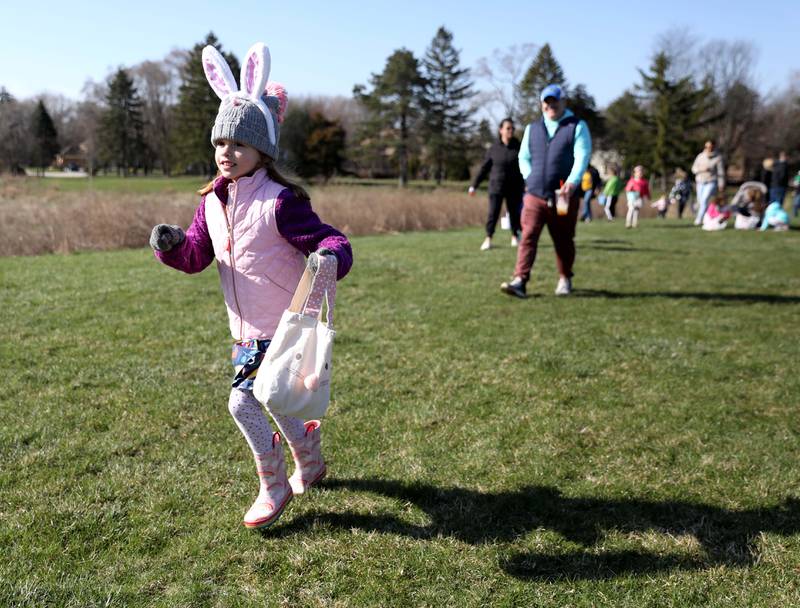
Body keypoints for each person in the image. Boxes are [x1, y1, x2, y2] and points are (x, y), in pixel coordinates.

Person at [149, 43, 353, 530]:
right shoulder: (211, 203)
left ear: (263, 150)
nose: (227, 153)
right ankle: (310, 455)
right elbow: (198, 255)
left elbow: (332, 239)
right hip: (243, 329)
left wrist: (330, 257)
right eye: (221, 143)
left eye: (239, 144)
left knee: (243, 400)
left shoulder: (281, 202)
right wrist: (172, 245)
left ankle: (273, 484)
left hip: (283, 326)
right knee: (277, 397)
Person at [500, 84, 591, 298]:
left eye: (554, 101)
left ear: (563, 102)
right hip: (534, 195)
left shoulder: (577, 126)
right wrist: (529, 176)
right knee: (528, 236)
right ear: (542, 104)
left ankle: (565, 278)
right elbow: (524, 157)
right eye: (547, 102)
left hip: (562, 196)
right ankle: (520, 280)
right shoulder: (533, 128)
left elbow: (582, 157)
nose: (550, 106)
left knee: (563, 239)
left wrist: (572, 182)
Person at [469, 118, 525, 250]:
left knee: (515, 213)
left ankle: (515, 237)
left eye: (512, 128)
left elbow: (526, 166)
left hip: (514, 187)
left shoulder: (519, 146)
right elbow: (484, 169)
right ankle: (488, 238)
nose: (511, 131)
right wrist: (474, 185)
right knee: (493, 213)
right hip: (496, 187)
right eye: (508, 128)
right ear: (501, 130)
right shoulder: (494, 149)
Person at [691, 140, 726, 226]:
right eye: (706, 147)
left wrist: (721, 184)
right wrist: (701, 170)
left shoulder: (718, 157)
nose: (708, 149)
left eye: (710, 147)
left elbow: (721, 172)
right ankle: (706, 217)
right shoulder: (700, 156)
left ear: (713, 147)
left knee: (704, 199)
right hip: (700, 181)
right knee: (700, 201)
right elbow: (694, 168)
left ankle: (698, 219)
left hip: (711, 181)